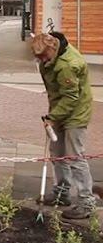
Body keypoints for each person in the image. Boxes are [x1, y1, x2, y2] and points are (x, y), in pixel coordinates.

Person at [32, 32, 96, 219]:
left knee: (75, 156)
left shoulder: (68, 65)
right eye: (38, 57)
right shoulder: (50, 56)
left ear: (53, 48)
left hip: (75, 113)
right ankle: (62, 193)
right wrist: (54, 115)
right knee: (57, 153)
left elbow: (71, 97)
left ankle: (86, 202)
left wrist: (53, 116)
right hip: (59, 110)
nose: (41, 60)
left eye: (44, 56)